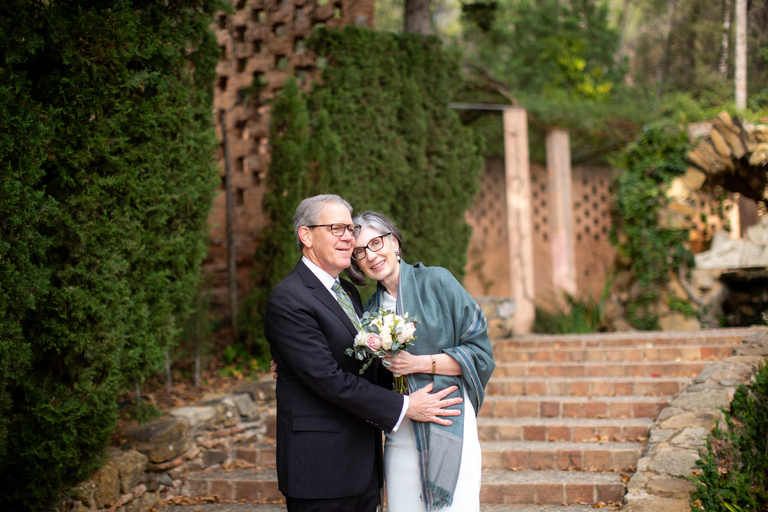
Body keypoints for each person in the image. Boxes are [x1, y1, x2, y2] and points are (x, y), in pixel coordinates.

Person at [264, 194, 463, 512]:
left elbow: (358, 365)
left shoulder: (348, 292)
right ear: (306, 235)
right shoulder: (289, 298)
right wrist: (405, 405)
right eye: (336, 228)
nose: (348, 236)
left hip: (362, 465)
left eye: (348, 228)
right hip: (321, 470)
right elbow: (327, 378)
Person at [344, 211, 496, 512]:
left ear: (395, 241)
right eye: (360, 251)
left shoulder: (437, 281)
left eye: (376, 242)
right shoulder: (368, 312)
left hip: (448, 419)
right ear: (356, 263)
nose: (371, 255)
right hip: (401, 429)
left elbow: (479, 353)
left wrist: (417, 364)